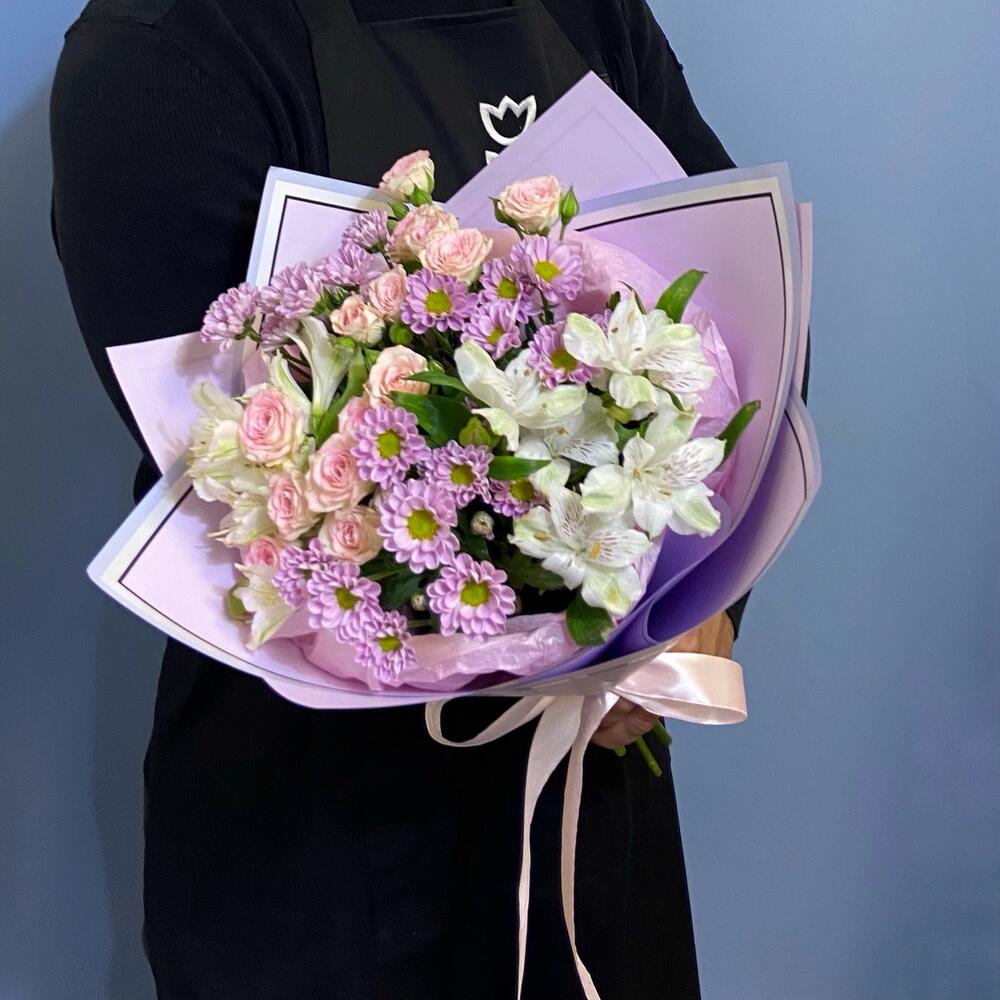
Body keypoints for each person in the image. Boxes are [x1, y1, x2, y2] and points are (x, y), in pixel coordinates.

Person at [50, 2, 761, 997]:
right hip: (318, 839)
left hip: (586, 793)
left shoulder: (587, 11)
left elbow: (730, 291)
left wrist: (680, 607)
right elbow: (224, 466)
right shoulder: (163, 57)